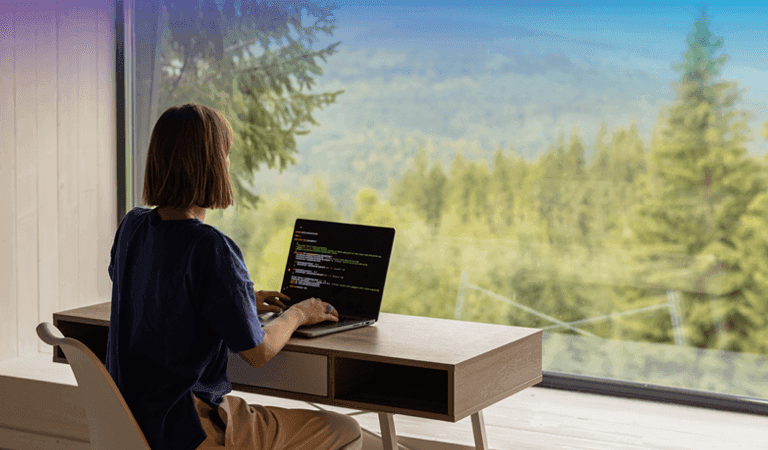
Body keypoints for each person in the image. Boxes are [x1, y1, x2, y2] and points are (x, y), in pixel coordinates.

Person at [106, 103, 363, 450]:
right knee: (346, 430)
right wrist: (299, 314)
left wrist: (233, 303)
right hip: (192, 429)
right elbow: (259, 352)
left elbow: (149, 286)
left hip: (133, 424)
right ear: (211, 165)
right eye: (225, 154)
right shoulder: (210, 247)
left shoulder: (132, 227)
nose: (228, 163)